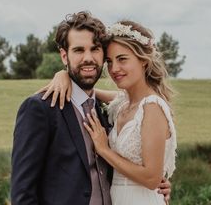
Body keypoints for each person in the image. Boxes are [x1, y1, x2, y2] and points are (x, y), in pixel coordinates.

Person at [10, 11, 171, 205]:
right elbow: (22, 193)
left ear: (102, 54)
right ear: (64, 56)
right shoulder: (40, 109)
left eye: (95, 49)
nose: (88, 58)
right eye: (78, 50)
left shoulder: (110, 109)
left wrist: (154, 187)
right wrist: (63, 75)